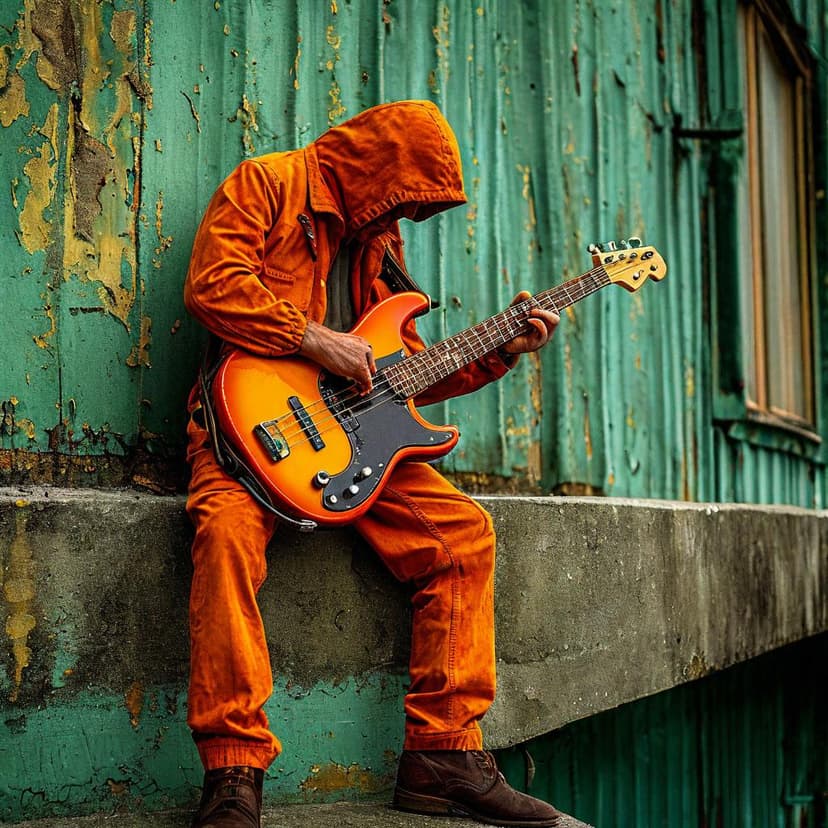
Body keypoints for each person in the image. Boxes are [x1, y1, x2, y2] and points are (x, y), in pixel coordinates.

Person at [183, 99, 591, 828]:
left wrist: (502, 349)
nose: (406, 217)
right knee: (224, 537)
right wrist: (313, 339)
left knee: (463, 536)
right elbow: (212, 286)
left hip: (354, 441)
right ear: (374, 167)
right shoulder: (266, 184)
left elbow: (399, 377)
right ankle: (233, 771)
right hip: (244, 432)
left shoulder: (379, 246)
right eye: (405, 199)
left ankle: (443, 755)